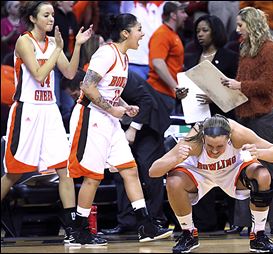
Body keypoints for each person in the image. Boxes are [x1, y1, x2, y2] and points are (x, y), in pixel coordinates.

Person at [67, 13, 173, 248]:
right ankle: (80, 230)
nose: (142, 34)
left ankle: (145, 225)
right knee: (93, 177)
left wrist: (125, 106)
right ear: (125, 33)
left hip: (108, 119)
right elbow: (87, 86)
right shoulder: (106, 53)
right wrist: (112, 109)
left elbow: (109, 90)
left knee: (130, 170)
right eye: (138, 29)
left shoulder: (123, 58)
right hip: (90, 117)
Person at [0, 0, 93, 244]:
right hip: (27, 110)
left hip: (49, 110)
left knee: (64, 170)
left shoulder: (54, 43)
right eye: (46, 15)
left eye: (52, 14)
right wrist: (56, 50)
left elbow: (70, 74)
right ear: (33, 18)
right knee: (13, 173)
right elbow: (40, 75)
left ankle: (72, 227)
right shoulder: (24, 41)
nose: (51, 19)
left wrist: (78, 47)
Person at [149, 114, 273, 253]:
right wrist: (176, 159)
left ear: (229, 138)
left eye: (220, 146)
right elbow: (153, 171)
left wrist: (259, 153)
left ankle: (258, 236)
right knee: (173, 181)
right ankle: (188, 234)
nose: (214, 151)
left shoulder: (238, 134)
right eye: (210, 146)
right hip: (200, 173)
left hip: (232, 171)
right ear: (203, 138)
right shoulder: (193, 140)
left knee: (262, 175)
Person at [221, 6, 273, 235]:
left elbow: (267, 86)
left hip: (262, 118)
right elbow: (241, 82)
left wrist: (240, 86)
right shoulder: (246, 47)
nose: (238, 29)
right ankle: (242, 221)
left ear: (253, 24)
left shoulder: (270, 50)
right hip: (243, 116)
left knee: (268, 166)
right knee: (241, 168)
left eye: (241, 25)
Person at [184, 14, 239, 232]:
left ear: (215, 31)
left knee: (229, 170)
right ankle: (205, 222)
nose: (200, 34)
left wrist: (214, 96)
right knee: (200, 171)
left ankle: (235, 220)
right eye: (198, 31)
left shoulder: (230, 57)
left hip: (224, 122)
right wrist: (181, 94)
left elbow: (237, 93)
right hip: (198, 122)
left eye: (204, 30)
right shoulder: (191, 57)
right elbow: (188, 88)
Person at [101, 70, 172, 234]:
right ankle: (127, 221)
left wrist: (133, 129)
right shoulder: (96, 80)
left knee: (150, 171)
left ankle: (156, 220)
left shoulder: (123, 75)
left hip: (150, 122)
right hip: (125, 123)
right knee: (121, 172)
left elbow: (147, 101)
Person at [147, 1, 189, 115]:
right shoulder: (162, 34)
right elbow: (157, 63)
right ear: (173, 15)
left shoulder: (172, 34)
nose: (186, 16)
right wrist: (176, 87)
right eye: (182, 12)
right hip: (159, 93)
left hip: (167, 94)